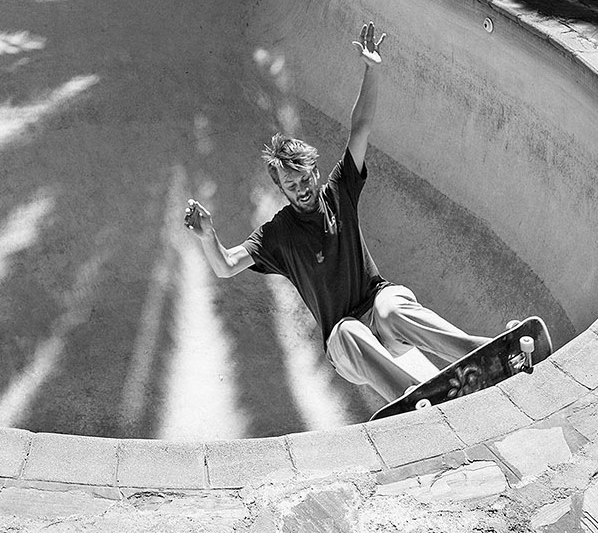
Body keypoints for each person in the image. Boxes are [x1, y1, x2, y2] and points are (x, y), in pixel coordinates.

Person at [182, 21, 490, 403]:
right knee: (348, 330)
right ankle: (409, 397)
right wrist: (207, 236)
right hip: (344, 345)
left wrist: (371, 70)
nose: (302, 190)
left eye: (305, 179)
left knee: (392, 307)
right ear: (280, 189)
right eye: (291, 186)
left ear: (314, 171)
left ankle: (480, 353)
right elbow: (226, 265)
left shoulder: (339, 190)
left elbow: (359, 128)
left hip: (378, 308)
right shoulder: (277, 235)